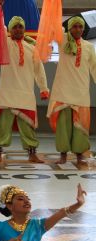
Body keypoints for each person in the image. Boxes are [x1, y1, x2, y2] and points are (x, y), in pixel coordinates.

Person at [0, 15, 49, 163]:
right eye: (14, 27)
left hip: (25, 94)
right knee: (3, 127)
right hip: (7, 93)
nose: (17, 29)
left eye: (20, 27)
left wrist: (43, 88)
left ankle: (32, 154)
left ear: (24, 29)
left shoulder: (32, 48)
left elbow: (39, 70)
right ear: (10, 29)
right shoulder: (5, 44)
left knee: (28, 128)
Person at [47, 16, 96, 165]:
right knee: (63, 126)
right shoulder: (63, 41)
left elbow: (94, 67)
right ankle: (63, 155)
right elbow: (54, 27)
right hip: (63, 92)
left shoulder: (88, 46)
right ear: (69, 28)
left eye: (80, 27)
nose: (78, 30)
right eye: (74, 26)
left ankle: (80, 155)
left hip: (81, 93)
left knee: (81, 128)